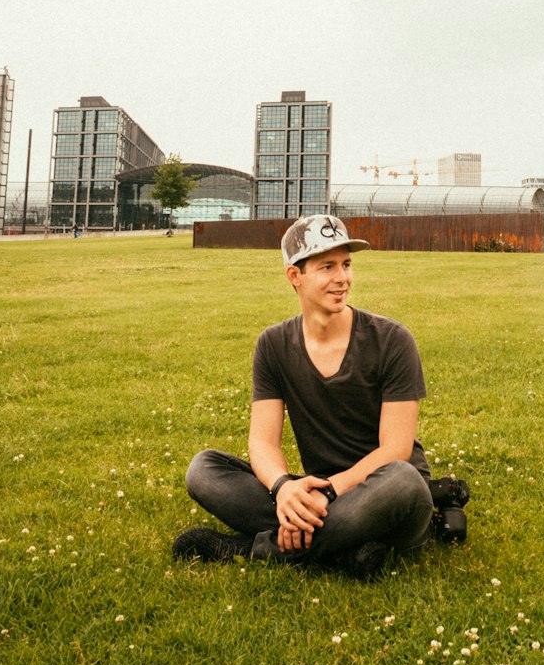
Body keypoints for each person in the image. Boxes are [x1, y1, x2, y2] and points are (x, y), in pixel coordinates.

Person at [172, 214, 435, 580]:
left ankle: (256, 549)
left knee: (404, 480)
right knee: (204, 469)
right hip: (321, 493)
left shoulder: (391, 340)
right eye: (327, 266)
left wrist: (326, 494)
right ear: (295, 276)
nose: (342, 278)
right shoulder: (273, 345)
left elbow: (395, 450)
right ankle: (346, 550)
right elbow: (263, 444)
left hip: (384, 492)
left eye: (346, 264)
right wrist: (283, 489)